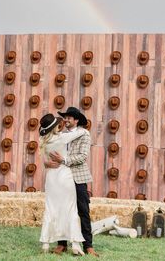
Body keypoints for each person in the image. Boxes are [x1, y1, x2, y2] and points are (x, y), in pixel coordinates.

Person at [48, 107, 99, 257]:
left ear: (76, 120)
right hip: (62, 177)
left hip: (78, 178)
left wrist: (63, 160)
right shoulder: (60, 135)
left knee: (83, 211)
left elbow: (83, 156)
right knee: (61, 210)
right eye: (65, 118)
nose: (66, 120)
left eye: (69, 118)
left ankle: (88, 246)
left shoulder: (84, 134)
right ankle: (62, 244)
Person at [39, 113, 87, 255]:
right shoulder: (62, 138)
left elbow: (44, 160)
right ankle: (76, 245)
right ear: (54, 127)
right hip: (64, 176)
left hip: (51, 178)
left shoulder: (43, 140)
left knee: (50, 209)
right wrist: (78, 123)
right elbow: (82, 131)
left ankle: (46, 244)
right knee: (71, 209)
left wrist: (45, 162)